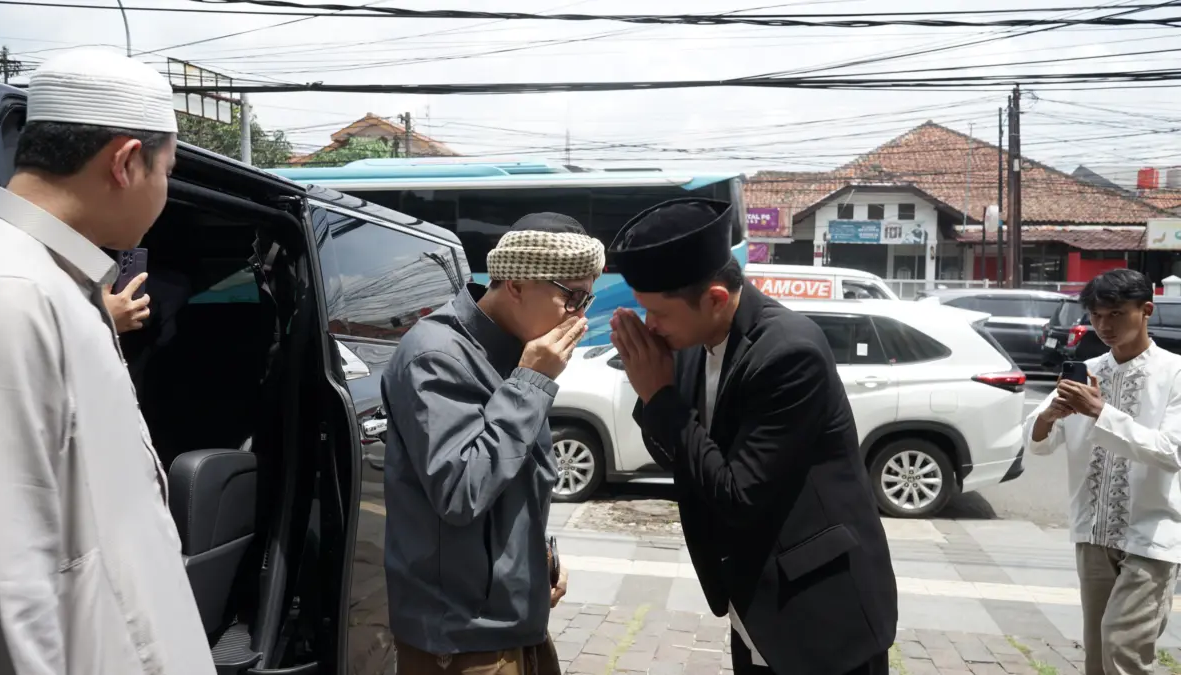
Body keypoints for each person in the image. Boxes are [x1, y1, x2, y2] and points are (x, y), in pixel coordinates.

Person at [0, 48, 215, 673]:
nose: (164, 192)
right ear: (126, 161)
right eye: (166, 170)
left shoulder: (51, 285)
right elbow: (12, 588)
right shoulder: (9, 294)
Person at [605, 199, 897, 675]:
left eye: (658, 312)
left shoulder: (788, 351)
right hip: (755, 605)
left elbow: (739, 494)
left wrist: (659, 396)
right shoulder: (694, 342)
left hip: (821, 612)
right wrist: (653, 392)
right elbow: (680, 456)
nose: (650, 325)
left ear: (716, 297)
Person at [381, 213, 605, 675]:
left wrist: (539, 559)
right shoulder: (436, 354)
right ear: (518, 284)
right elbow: (461, 490)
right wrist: (531, 382)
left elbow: (513, 483)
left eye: (589, 296)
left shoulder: (516, 350)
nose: (579, 313)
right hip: (463, 640)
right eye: (572, 295)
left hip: (517, 621)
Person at [1025, 268, 1181, 675]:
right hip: (1092, 530)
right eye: (1096, 316)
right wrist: (1051, 416)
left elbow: (1170, 452)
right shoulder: (1088, 370)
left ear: (1146, 309)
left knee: (1121, 644)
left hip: (1152, 533)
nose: (1104, 326)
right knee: (1096, 654)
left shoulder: (1175, 373)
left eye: (1116, 314)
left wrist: (1100, 412)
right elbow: (1039, 442)